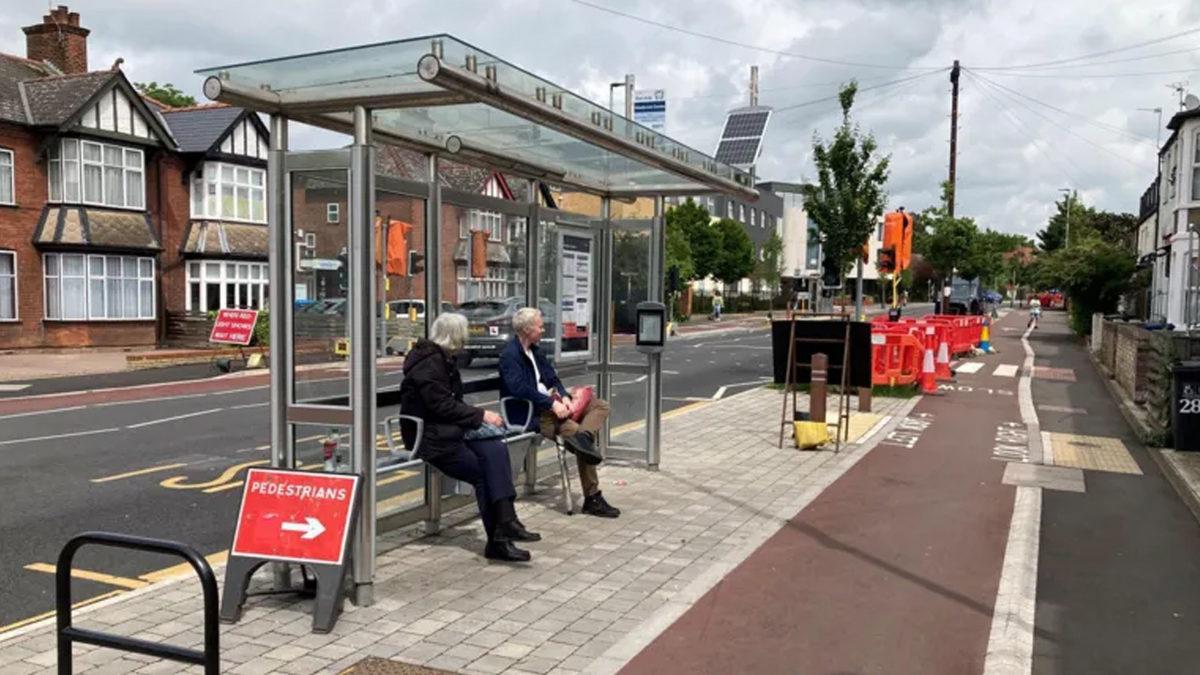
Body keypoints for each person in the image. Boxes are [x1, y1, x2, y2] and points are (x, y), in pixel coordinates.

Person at [399, 313, 540, 562]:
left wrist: (476, 420)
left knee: (495, 447)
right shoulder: (430, 364)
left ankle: (508, 520)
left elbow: (451, 405)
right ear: (455, 337)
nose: (466, 340)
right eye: (463, 335)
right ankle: (498, 540)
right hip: (431, 438)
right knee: (482, 473)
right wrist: (481, 415)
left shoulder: (441, 359)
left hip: (449, 431)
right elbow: (442, 406)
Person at [499, 308, 621, 518]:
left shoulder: (535, 351)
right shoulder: (510, 355)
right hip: (537, 414)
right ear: (527, 329)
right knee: (576, 434)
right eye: (540, 325)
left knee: (600, 405)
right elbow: (519, 388)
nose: (543, 329)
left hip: (555, 405)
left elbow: (552, 378)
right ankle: (592, 497)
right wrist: (551, 403)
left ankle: (584, 437)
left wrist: (564, 396)